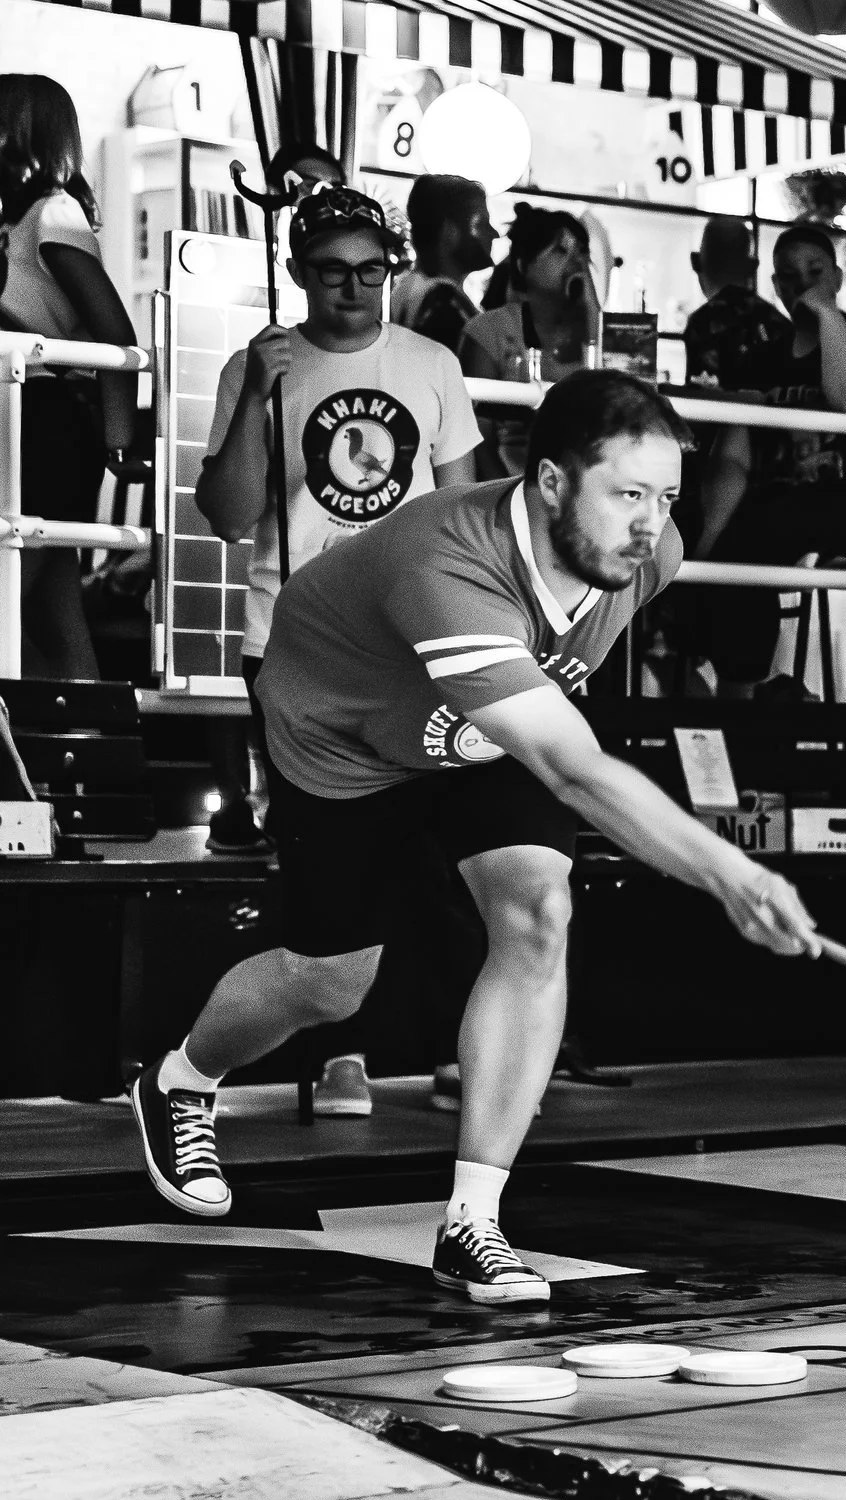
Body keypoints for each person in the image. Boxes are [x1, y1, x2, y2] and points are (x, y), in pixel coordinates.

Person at [130, 370, 820, 1301]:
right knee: (331, 981)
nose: (652, 524)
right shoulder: (448, 567)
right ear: (547, 483)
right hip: (347, 729)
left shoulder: (643, 558)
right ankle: (180, 1079)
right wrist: (730, 874)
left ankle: (474, 1222)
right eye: (626, 494)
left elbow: (551, 732)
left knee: (538, 912)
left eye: (664, 496)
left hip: (485, 724)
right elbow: (576, 771)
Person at [192, 188, 484, 1103]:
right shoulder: (261, 364)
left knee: (438, 842)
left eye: (370, 271)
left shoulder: (430, 362)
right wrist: (253, 393)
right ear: (297, 275)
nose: (354, 290)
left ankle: (450, 1039)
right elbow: (228, 513)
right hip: (293, 635)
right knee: (326, 850)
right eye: (332, 273)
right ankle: (337, 1050)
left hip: (412, 636)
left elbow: (461, 512)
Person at [692, 221, 846, 699]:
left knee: (760, 529)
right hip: (780, 503)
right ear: (774, 286)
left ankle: (741, 689)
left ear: (836, 276)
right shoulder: (759, 359)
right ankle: (719, 683)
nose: (803, 285)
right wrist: (706, 542)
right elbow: (733, 458)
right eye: (789, 277)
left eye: (815, 272)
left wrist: (828, 315)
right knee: (707, 533)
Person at [0, 73, 143, 682]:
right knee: (50, 597)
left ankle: (46, 745)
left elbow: (114, 326)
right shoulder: (24, 217)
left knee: (16, 584)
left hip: (49, 412)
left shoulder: (52, 212)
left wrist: (119, 439)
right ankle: (78, 751)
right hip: (34, 407)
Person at [461, 205, 599, 477]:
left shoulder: (599, 332)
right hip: (509, 485)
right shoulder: (490, 331)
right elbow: (475, 436)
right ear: (524, 264)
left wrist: (592, 312)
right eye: (560, 251)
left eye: (582, 252)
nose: (576, 262)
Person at [681, 215, 790, 393]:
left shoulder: (702, 323)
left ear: (700, 263)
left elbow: (702, 397)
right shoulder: (777, 321)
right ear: (751, 267)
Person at [392, 175, 495, 355]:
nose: (494, 234)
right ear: (449, 232)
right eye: (481, 223)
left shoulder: (410, 290)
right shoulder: (442, 302)